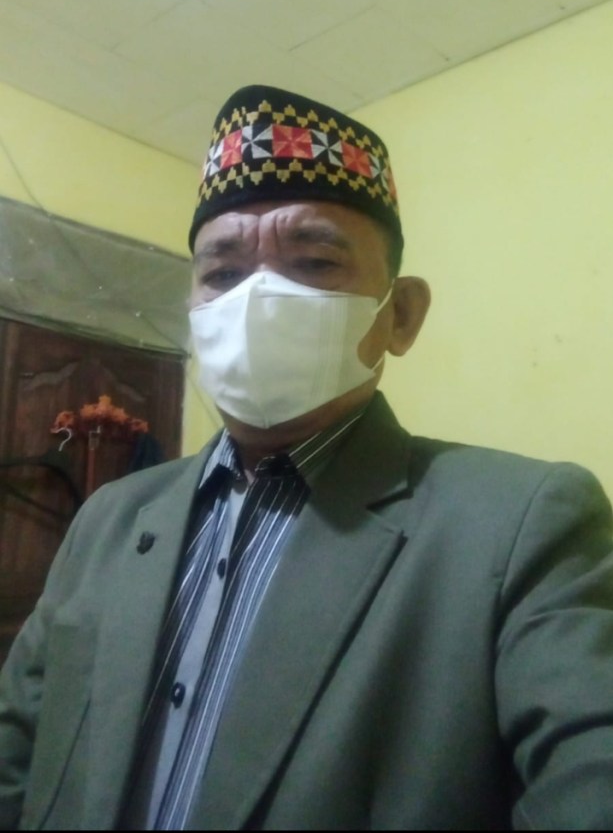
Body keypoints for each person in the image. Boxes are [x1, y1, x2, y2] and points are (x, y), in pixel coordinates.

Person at [1, 85, 613, 831]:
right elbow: (17, 744)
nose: (257, 300)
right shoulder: (109, 518)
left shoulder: (521, 528)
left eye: (315, 262)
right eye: (223, 274)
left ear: (400, 315)